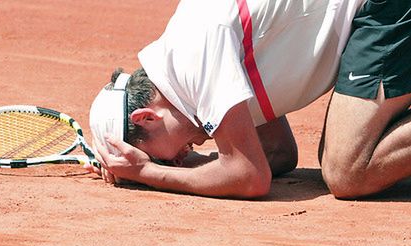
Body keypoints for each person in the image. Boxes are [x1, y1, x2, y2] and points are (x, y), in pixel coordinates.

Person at [87, 0, 411, 199]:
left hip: (386, 7)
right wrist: (180, 168)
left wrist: (149, 174)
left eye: (158, 157)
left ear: (146, 117)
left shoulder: (194, 56)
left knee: (348, 171)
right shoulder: (181, 62)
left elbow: (251, 177)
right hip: (371, 16)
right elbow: (277, 152)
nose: (176, 161)